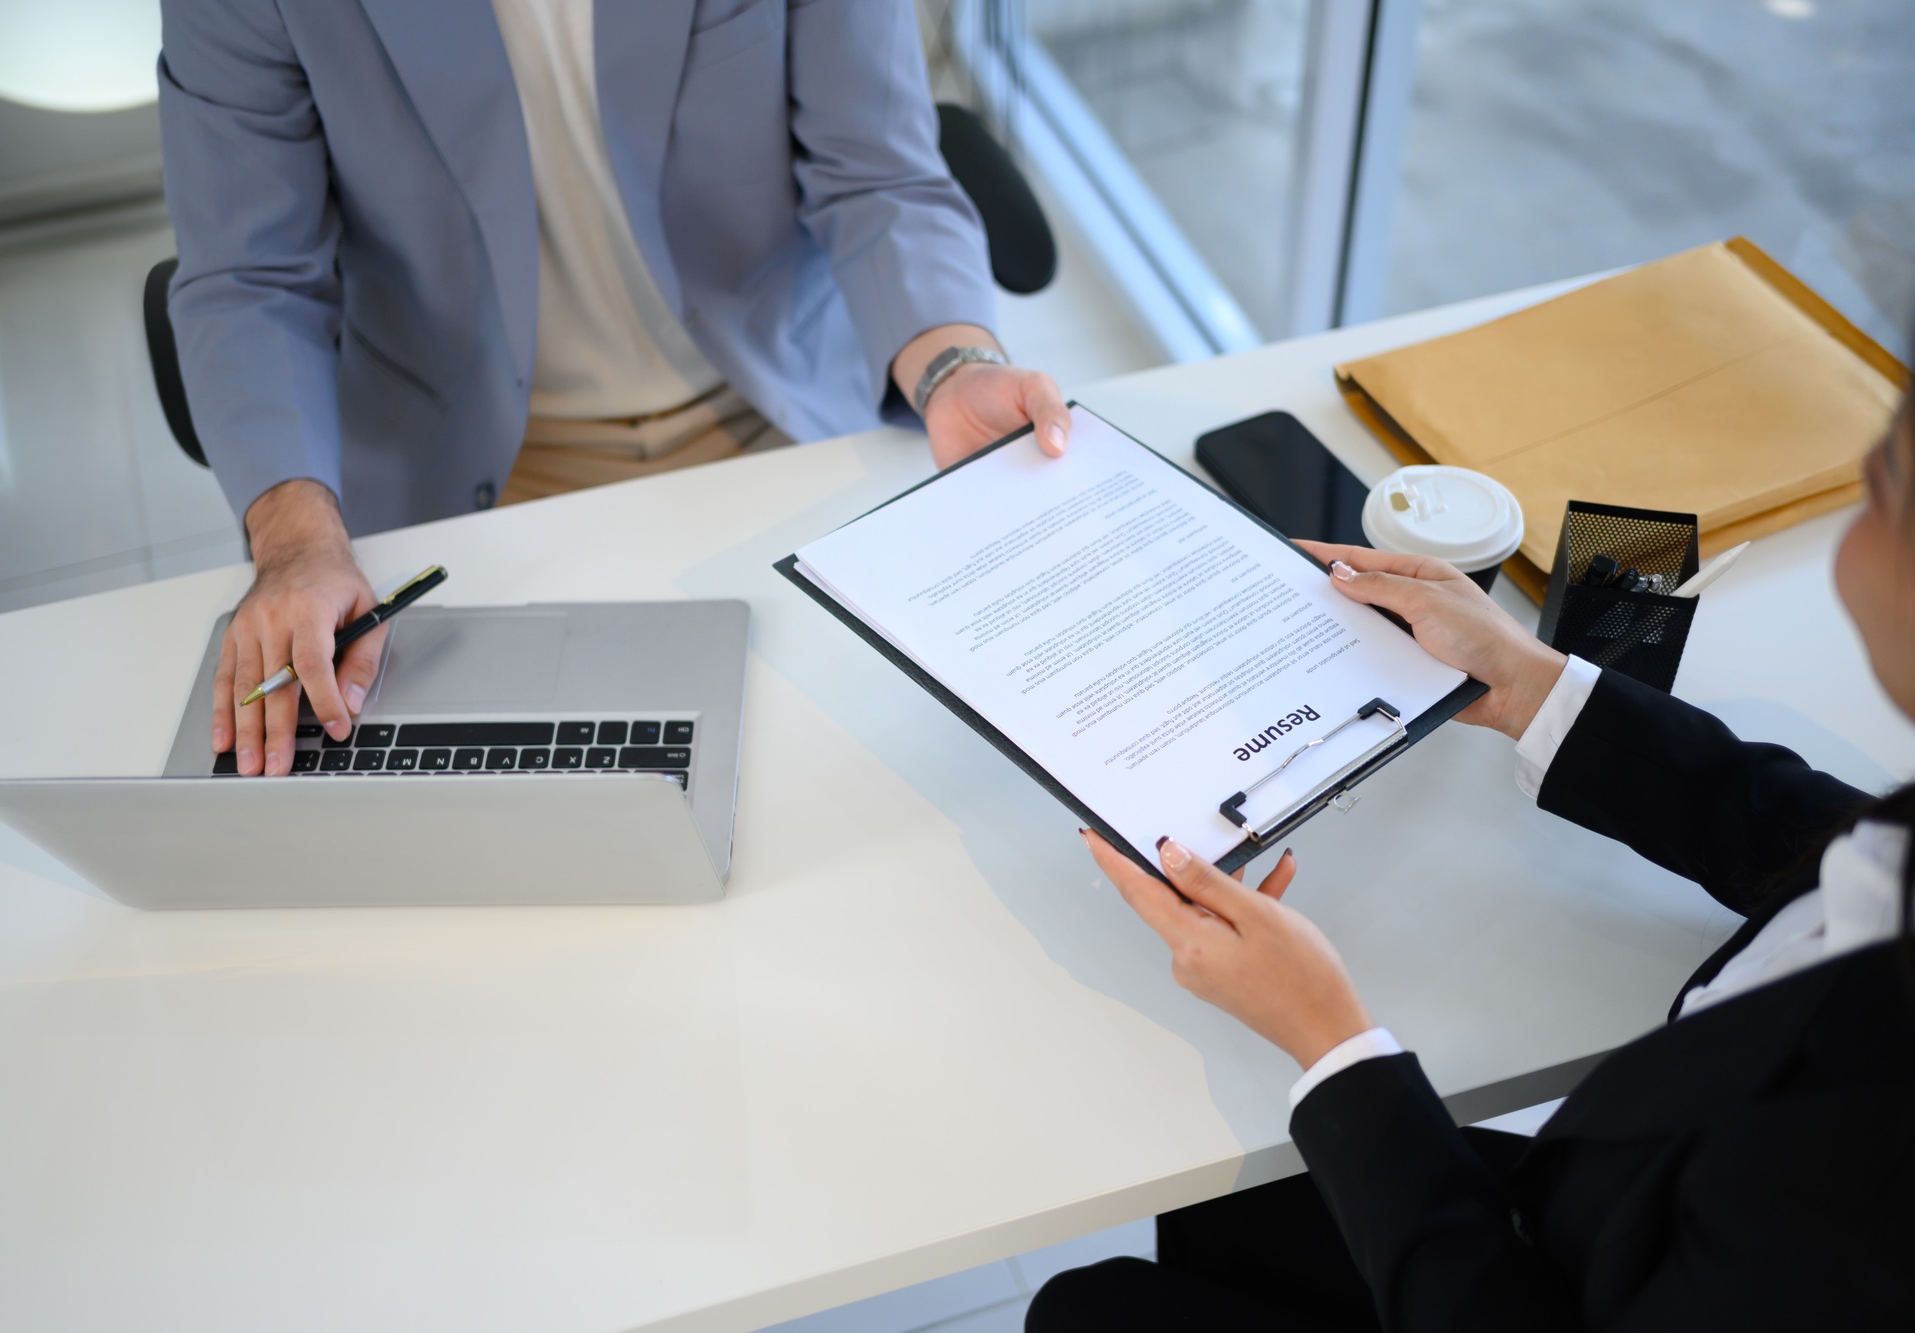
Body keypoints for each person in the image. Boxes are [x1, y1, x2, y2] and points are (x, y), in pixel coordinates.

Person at [1028, 392, 1915, 1330]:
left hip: (1589, 1270)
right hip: (1608, 1208)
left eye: (1886, 480)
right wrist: (1530, 679)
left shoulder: (1859, 1186)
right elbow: (1807, 831)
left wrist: (1327, 1033)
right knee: (1226, 1195)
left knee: (1091, 1307)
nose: (1862, 488)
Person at [158, 0, 1071, 776]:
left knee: (901, 768)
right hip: (479, 468)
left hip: (782, 410)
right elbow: (251, 273)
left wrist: (955, 368)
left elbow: (880, 171)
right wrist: (295, 542)